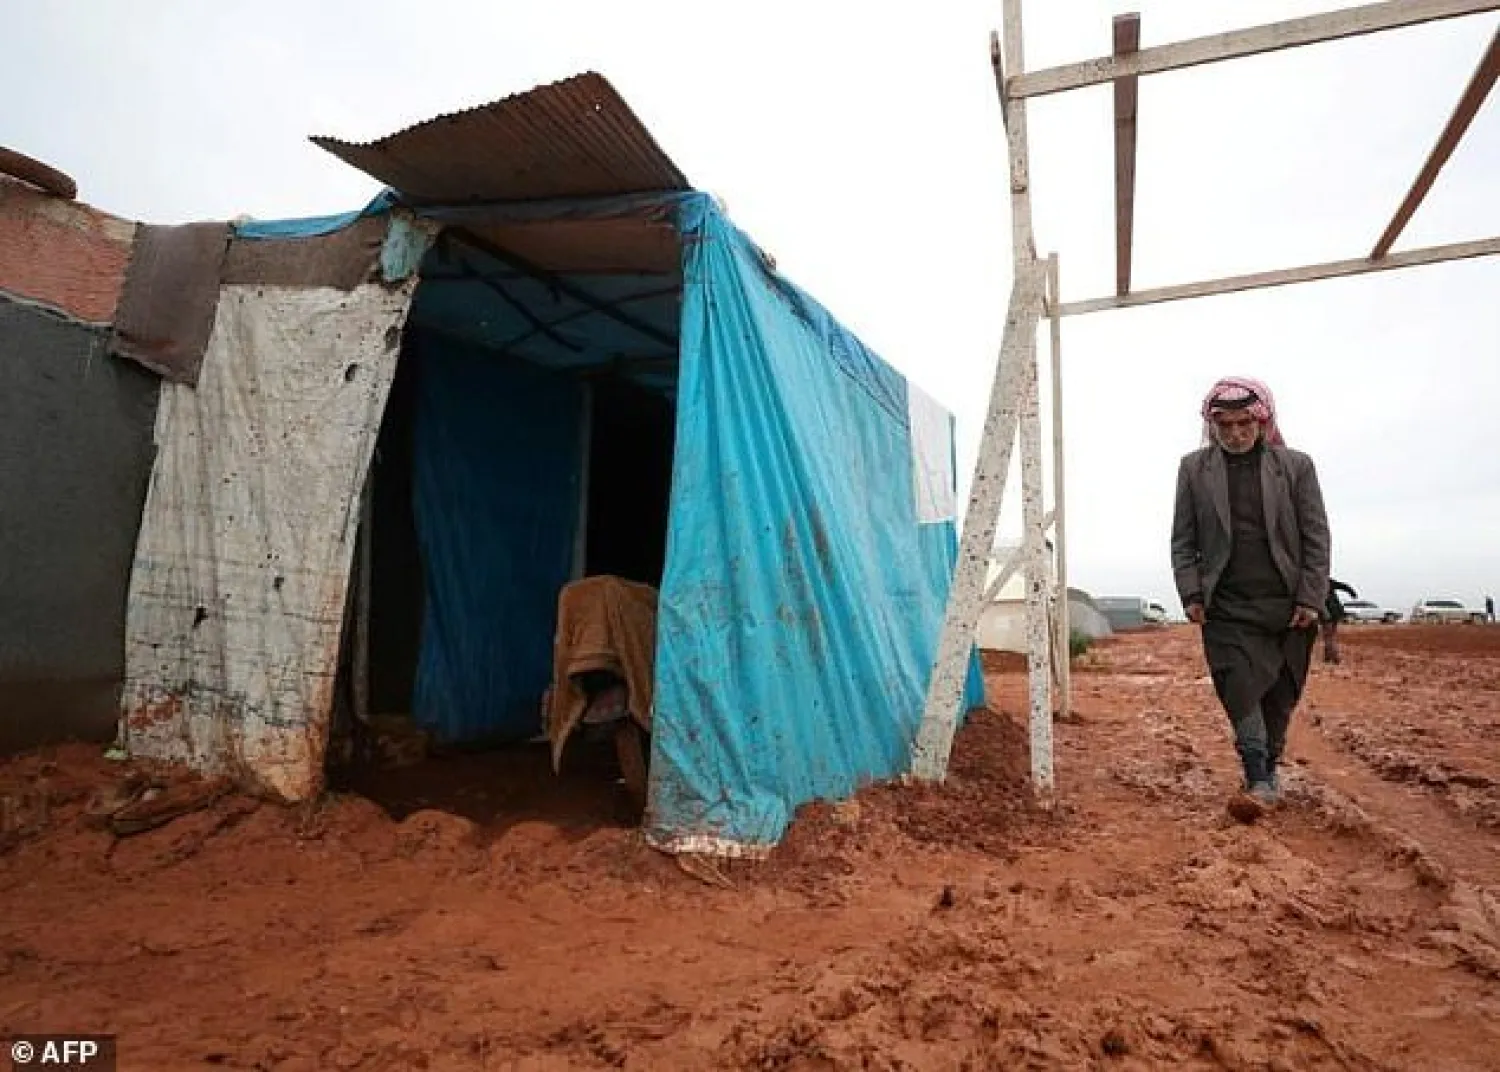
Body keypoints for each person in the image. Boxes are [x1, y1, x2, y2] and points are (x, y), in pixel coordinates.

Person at [1171, 377, 1331, 821]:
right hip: (1227, 606)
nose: (1237, 434)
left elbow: (1316, 536)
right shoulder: (1193, 470)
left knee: (1280, 695)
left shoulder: (1296, 467)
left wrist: (1310, 597)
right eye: (1226, 426)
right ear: (1213, 426)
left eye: (1245, 424)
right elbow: (1183, 540)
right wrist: (1191, 592)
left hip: (1287, 605)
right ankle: (1257, 775)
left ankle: (1268, 764)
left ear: (1263, 422)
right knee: (1239, 688)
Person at [1321, 578, 1358, 664]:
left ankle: (1334, 658)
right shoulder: (1328, 581)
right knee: (1330, 635)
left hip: (1327, 613)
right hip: (1335, 612)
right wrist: (1352, 593)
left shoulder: (1316, 583)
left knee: (1329, 636)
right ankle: (1328, 657)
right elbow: (1344, 586)